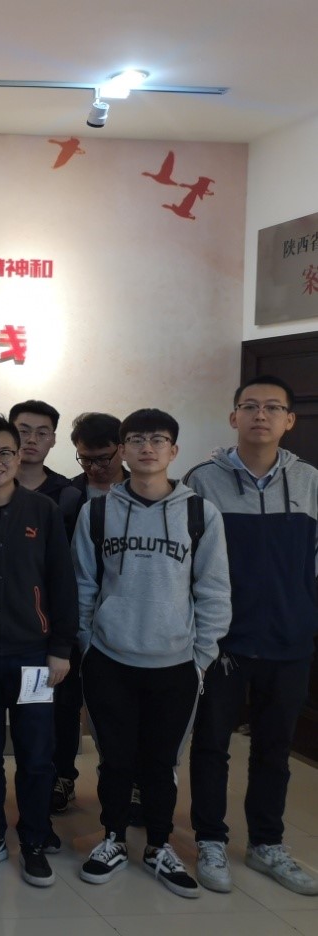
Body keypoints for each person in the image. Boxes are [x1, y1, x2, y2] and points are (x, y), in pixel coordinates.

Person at [73, 408, 231, 898]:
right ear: (122, 450)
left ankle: (160, 845)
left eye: (158, 439)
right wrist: (88, 647)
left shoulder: (199, 513)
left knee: (163, 763)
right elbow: (83, 586)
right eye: (137, 439)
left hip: (175, 664)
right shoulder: (97, 511)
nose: (147, 448)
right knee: (114, 760)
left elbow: (214, 591)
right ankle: (114, 838)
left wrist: (200, 656)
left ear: (173, 450)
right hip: (110, 660)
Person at [184, 376, 318, 896]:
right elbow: (188, 562)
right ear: (233, 417)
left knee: (274, 749)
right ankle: (210, 839)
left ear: (290, 420)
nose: (261, 415)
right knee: (211, 746)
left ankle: (267, 843)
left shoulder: (309, 481)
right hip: (222, 643)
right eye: (250, 406)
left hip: (288, 640)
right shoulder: (202, 481)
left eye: (273, 408)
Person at [0, 417, 76, 887]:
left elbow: (62, 583)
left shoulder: (43, 510)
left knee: (37, 753)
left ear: (19, 453)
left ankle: (34, 838)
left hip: (33, 657)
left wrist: (60, 648)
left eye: (4, 452)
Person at [53, 411, 126, 815]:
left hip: (123, 617)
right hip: (72, 614)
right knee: (65, 702)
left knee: (118, 707)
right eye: (86, 458)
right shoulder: (68, 497)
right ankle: (62, 776)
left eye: (103, 458)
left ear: (122, 449)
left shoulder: (144, 493)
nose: (95, 467)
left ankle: (123, 780)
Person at [9, 400, 83, 538]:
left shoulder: (68, 495)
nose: (32, 440)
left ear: (53, 439)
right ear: (9, 434)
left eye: (42, 433)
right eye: (23, 431)